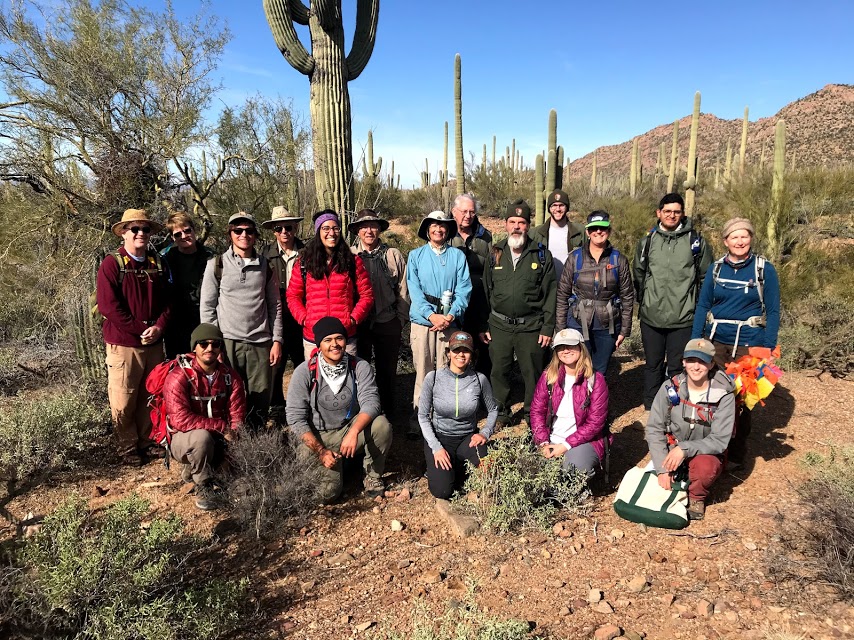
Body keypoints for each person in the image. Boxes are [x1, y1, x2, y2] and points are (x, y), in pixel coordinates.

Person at [692, 217, 780, 469]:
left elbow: (773, 311)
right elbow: (703, 305)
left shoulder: (764, 269)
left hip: (749, 345)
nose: (740, 241)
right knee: (711, 395)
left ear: (751, 238)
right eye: (734, 237)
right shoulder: (716, 269)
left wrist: (769, 346)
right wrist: (695, 340)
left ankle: (737, 452)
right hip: (716, 342)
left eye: (744, 236)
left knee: (743, 399)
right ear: (725, 241)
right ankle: (710, 448)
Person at [286, 317, 392, 503]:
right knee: (328, 495)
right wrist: (320, 451)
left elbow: (372, 402)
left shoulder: (359, 366)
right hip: (319, 437)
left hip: (348, 430)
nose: (335, 344)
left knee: (381, 425)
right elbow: (296, 418)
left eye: (339, 338)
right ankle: (342, 465)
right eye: (327, 340)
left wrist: (354, 431)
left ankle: (372, 476)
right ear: (319, 345)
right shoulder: (305, 372)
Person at [97, 208, 172, 466]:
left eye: (145, 229)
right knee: (123, 396)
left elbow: (169, 302)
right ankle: (127, 446)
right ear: (124, 234)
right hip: (124, 343)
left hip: (154, 341)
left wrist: (159, 327)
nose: (141, 233)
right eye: (135, 229)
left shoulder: (157, 263)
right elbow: (108, 307)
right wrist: (141, 329)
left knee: (150, 395)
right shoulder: (112, 264)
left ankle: (147, 441)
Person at [199, 212, 283, 430]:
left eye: (249, 231)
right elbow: (207, 308)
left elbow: (275, 305)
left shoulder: (266, 266)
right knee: (228, 396)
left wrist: (277, 341)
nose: (243, 234)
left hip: (260, 341)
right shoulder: (216, 265)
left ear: (255, 235)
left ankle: (256, 444)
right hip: (227, 342)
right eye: (238, 230)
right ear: (230, 235)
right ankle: (230, 441)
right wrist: (212, 345)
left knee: (260, 398)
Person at [633, 193, 713, 410]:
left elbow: (706, 276)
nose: (672, 215)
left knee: (678, 367)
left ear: (683, 213)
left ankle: (677, 407)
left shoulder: (696, 242)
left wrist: (697, 308)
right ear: (659, 213)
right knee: (652, 365)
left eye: (676, 211)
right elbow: (639, 275)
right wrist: (646, 301)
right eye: (667, 211)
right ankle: (651, 407)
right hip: (652, 317)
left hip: (683, 317)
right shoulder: (647, 242)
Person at [481, 199, 556, 427]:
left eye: (521, 222)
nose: (516, 226)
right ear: (505, 224)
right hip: (499, 325)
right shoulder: (495, 254)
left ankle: (531, 415)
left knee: (532, 374)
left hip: (531, 327)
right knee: (499, 371)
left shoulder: (541, 255)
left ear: (528, 225)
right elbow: (485, 290)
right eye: (512, 221)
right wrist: (483, 325)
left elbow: (551, 292)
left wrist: (547, 326)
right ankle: (501, 413)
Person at [645, 338, 736, 520]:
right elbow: (655, 428)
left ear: (711, 364)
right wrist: (662, 469)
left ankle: (696, 496)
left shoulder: (724, 394)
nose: (696, 366)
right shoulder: (670, 388)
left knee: (705, 468)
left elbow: (719, 440)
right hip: (673, 447)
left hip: (706, 451)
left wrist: (685, 449)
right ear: (683, 362)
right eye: (691, 360)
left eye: (702, 361)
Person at [160, 324, 245, 511]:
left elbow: (237, 415)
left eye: (215, 344)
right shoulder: (178, 377)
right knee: (201, 438)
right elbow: (180, 420)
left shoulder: (230, 377)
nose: (209, 349)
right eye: (203, 344)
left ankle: (198, 468)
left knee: (238, 458)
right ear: (194, 347)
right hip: (184, 438)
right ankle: (203, 486)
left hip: (218, 438)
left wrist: (232, 447)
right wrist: (223, 428)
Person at [406, 210, 472, 436]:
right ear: (427, 229)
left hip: (450, 321)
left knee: (448, 370)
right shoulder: (415, 256)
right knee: (423, 371)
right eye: (433, 225)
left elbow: (464, 289)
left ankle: (445, 419)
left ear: (448, 230)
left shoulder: (457, 256)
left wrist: (451, 315)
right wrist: (430, 315)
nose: (438, 229)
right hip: (423, 322)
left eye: (443, 225)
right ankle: (419, 419)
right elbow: (413, 289)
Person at [418, 331, 498, 499]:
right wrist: (436, 447)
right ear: (448, 353)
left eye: (466, 350)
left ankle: (458, 466)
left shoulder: (479, 379)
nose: (461, 354)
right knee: (443, 491)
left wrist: (485, 432)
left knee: (491, 470)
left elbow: (493, 409)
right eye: (456, 350)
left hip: (467, 438)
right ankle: (443, 467)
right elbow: (423, 416)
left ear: (472, 354)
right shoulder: (433, 378)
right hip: (440, 438)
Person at [287, 210, 374, 361]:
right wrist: (305, 319)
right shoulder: (304, 263)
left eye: (335, 228)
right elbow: (293, 296)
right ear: (318, 231)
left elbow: (367, 295)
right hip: (313, 337)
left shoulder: (352, 262)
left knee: (346, 381)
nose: (331, 233)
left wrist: (352, 319)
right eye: (325, 228)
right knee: (317, 381)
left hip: (345, 336)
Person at [556, 211, 634, 375]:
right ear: (587, 232)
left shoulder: (618, 259)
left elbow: (627, 296)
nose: (598, 232)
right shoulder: (575, 258)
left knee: (600, 371)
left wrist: (624, 331)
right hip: (577, 322)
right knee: (578, 369)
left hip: (607, 324)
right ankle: (578, 401)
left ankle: (597, 400)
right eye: (594, 228)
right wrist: (561, 328)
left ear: (609, 231)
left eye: (602, 228)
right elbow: (562, 294)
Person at [349, 209, 409, 416]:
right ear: (357, 230)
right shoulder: (349, 256)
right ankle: (364, 412)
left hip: (388, 320)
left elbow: (403, 288)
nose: (369, 230)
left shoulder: (393, 255)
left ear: (379, 229)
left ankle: (388, 412)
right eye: (364, 226)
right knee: (360, 369)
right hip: (359, 323)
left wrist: (400, 319)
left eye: (373, 226)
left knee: (387, 370)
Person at [529, 328, 610, 478]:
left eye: (571, 346)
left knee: (572, 470)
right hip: (551, 438)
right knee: (533, 473)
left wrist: (565, 446)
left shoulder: (595, 380)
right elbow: (537, 412)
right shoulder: (548, 377)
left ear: (581, 347)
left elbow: (595, 423)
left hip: (582, 441)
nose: (565, 350)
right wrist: (543, 442)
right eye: (560, 347)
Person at [261, 206, 306, 410]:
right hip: (276, 317)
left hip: (302, 317)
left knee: (302, 364)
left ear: (295, 227)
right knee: (276, 365)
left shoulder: (307, 253)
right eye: (279, 228)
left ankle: (303, 406)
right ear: (273, 231)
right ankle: (277, 406)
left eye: (288, 227)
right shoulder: (265, 254)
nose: (284, 232)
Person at [449, 194, 493, 375]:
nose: (468, 215)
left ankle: (484, 388)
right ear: (454, 212)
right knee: (458, 344)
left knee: (483, 345)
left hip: (480, 298)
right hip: (453, 300)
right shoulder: (445, 234)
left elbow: (492, 267)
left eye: (472, 212)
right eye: (464, 211)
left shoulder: (485, 236)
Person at [161, 212, 214, 359]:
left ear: (194, 230)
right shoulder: (166, 260)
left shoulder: (211, 258)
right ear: (172, 238)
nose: (184, 236)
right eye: (178, 234)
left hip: (204, 320)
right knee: (180, 370)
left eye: (187, 230)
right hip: (176, 324)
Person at [530, 189, 584, 282]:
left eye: (561, 205)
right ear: (549, 208)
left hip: (572, 288)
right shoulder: (535, 233)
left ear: (567, 207)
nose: (558, 209)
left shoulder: (580, 231)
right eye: (554, 205)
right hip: (545, 287)